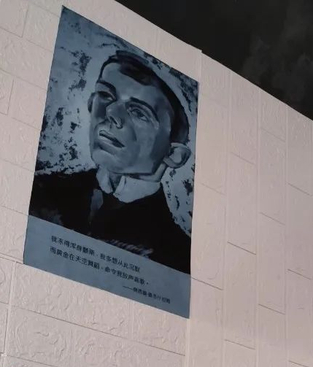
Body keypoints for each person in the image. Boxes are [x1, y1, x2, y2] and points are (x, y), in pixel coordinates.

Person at [29, 50, 192, 274]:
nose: (111, 112)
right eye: (106, 95)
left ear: (173, 154)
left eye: (139, 112)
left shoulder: (176, 256)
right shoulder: (41, 190)